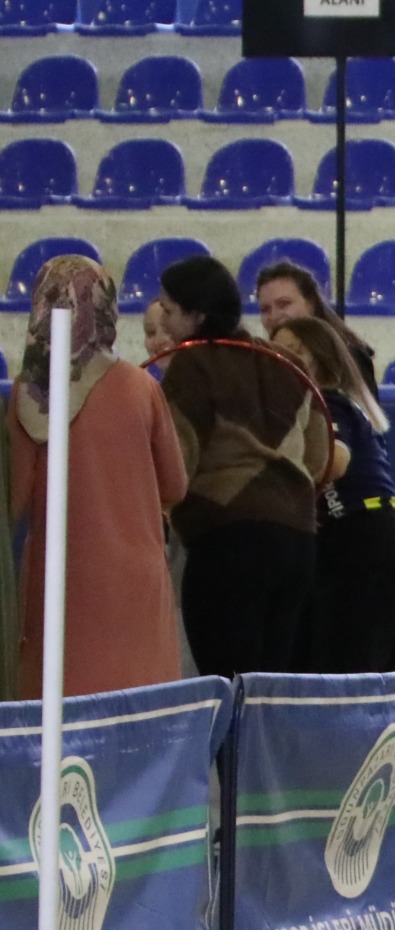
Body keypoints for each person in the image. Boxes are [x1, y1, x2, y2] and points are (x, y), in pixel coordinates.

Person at [7, 254, 188, 697]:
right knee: (138, 711)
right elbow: (176, 485)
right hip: (139, 580)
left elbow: (14, 499)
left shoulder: (30, 395)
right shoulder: (141, 385)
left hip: (62, 579)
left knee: (62, 721)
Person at [156, 254, 332, 677]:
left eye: (168, 310)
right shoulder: (283, 361)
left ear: (195, 316)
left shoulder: (192, 363)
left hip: (228, 542)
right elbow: (319, 458)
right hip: (298, 542)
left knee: (225, 684)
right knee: (268, 689)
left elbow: (177, 464)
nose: (161, 321)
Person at [269, 314, 395, 672]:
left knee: (347, 680)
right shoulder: (342, 404)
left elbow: (335, 460)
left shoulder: (328, 403)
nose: (285, 362)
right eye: (276, 353)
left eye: (295, 352)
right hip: (389, 542)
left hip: (365, 540)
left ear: (322, 357)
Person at [253, 259, 379, 393]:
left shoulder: (350, 355)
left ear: (311, 303)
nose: (274, 316)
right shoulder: (263, 362)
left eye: (284, 304)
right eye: (265, 309)